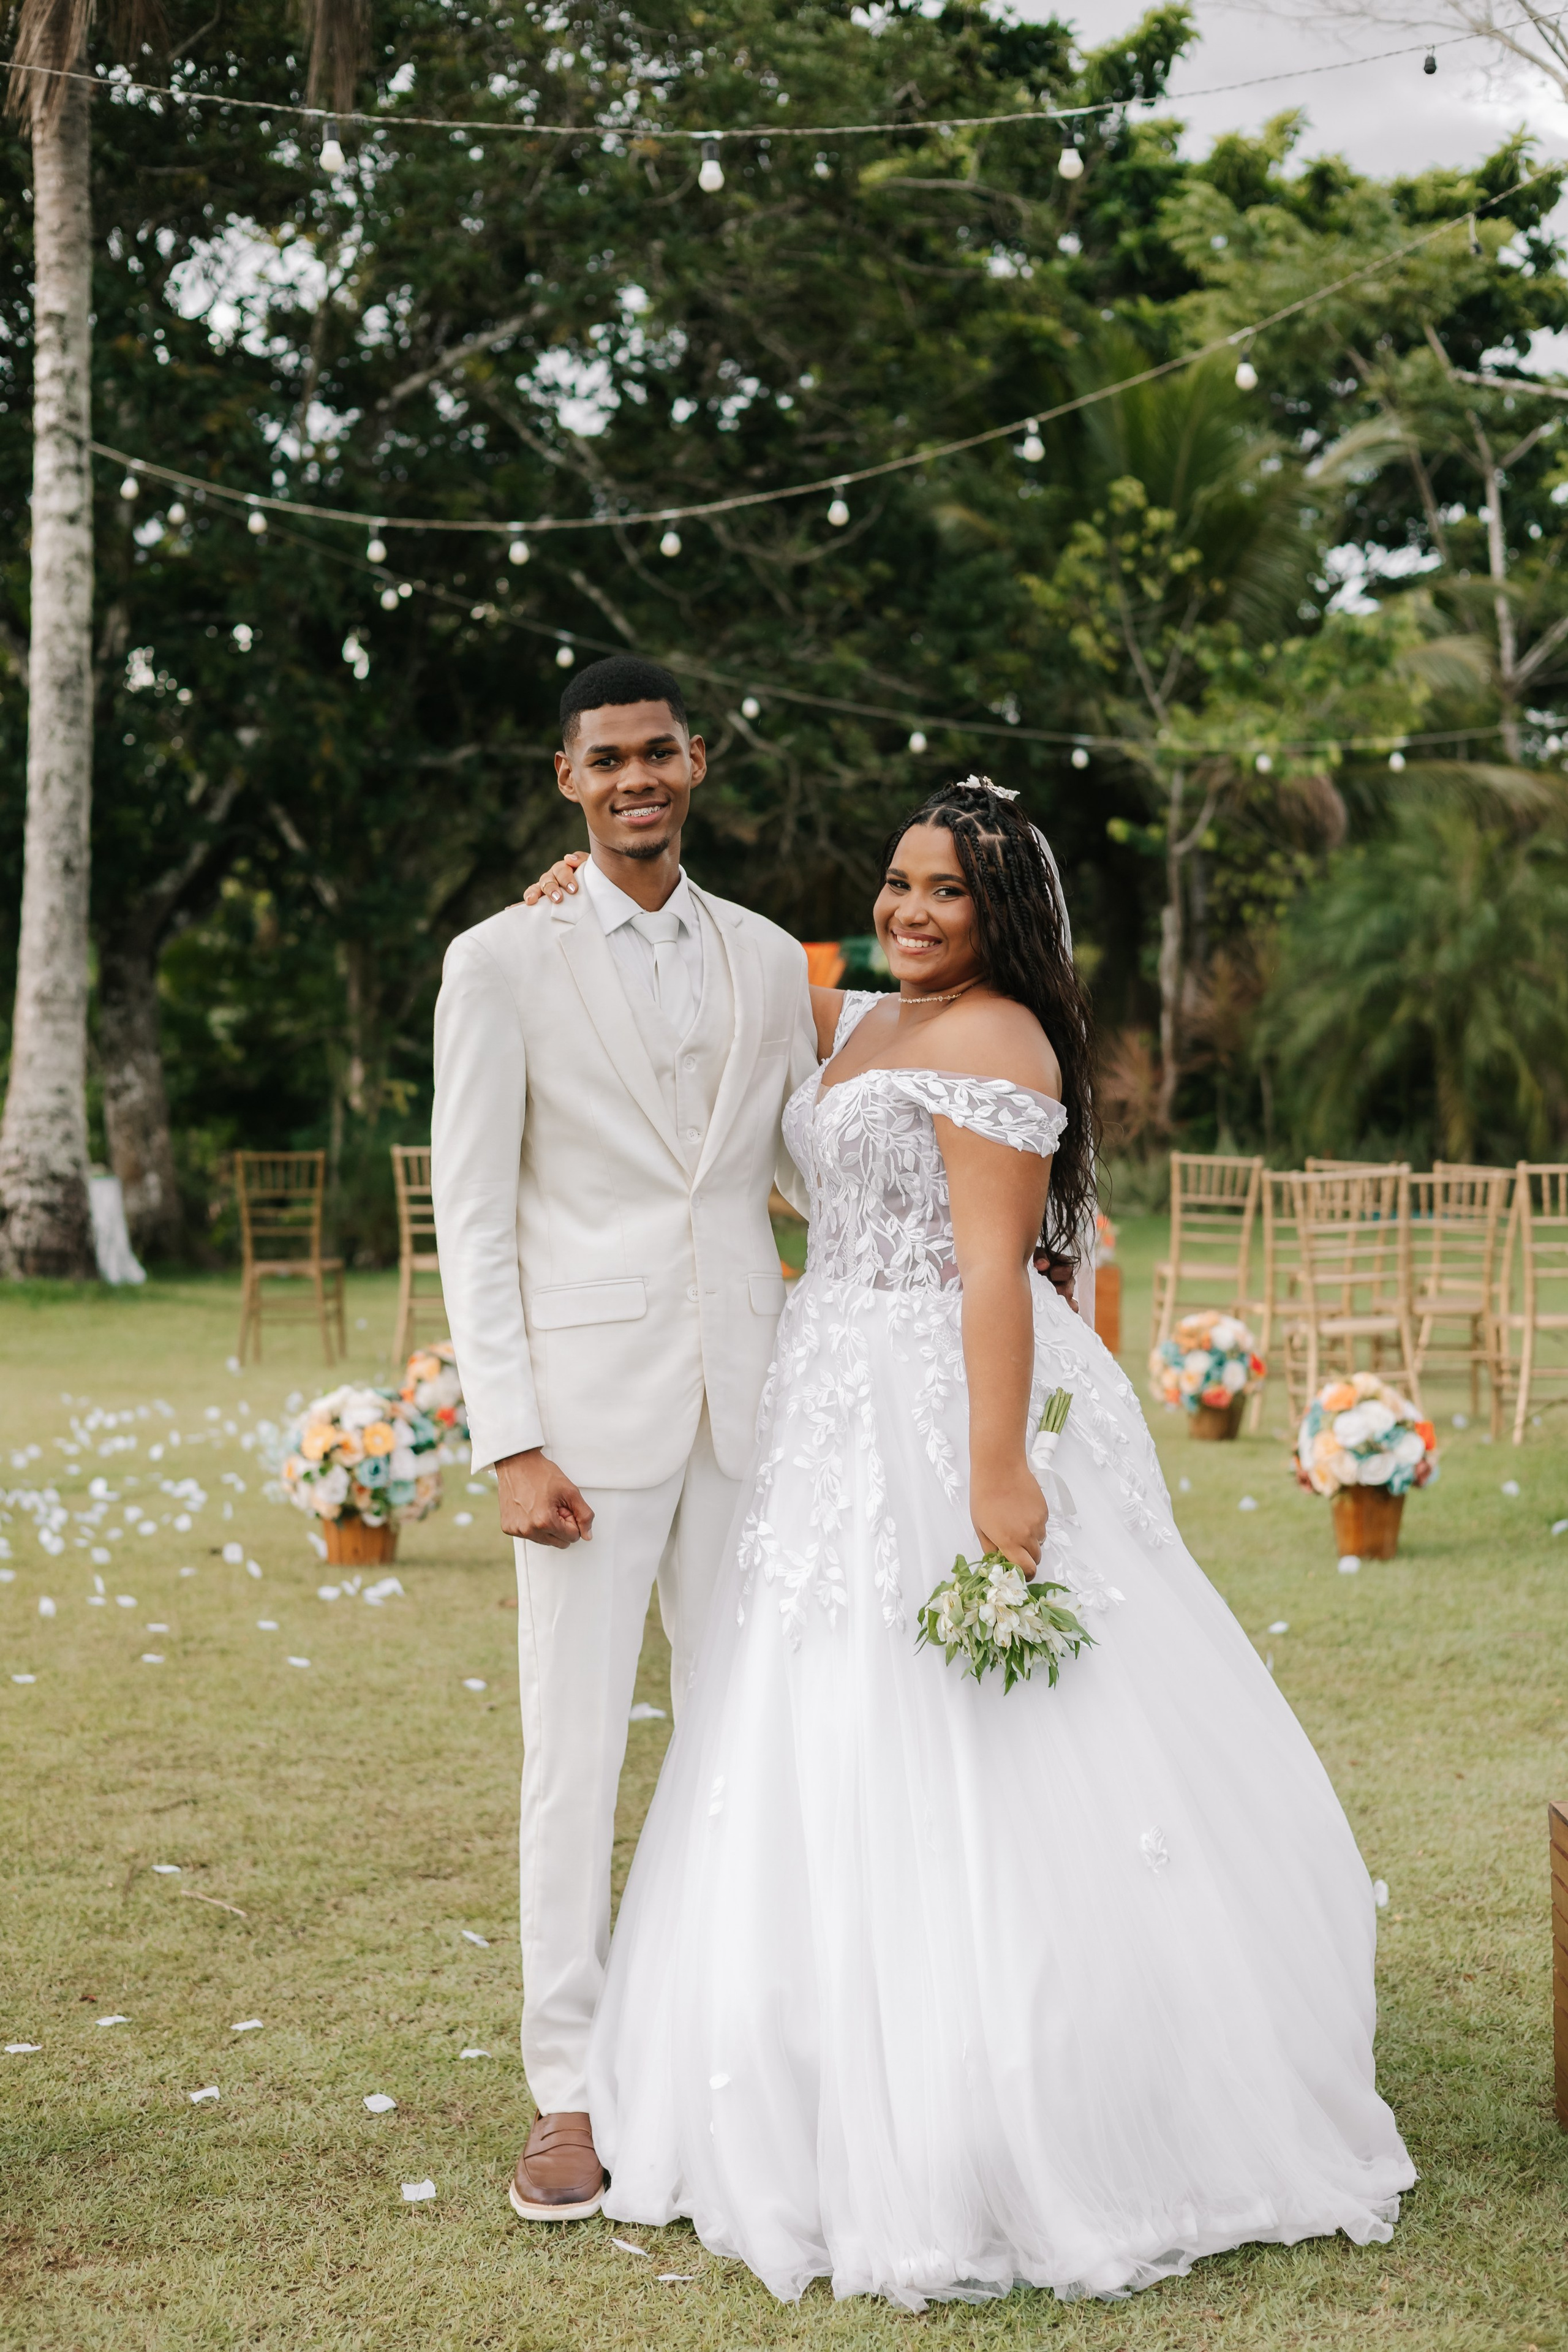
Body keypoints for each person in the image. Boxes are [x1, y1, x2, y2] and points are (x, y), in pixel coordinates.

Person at [533, 777, 1415, 2307]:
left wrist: (998, 1473)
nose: (908, 911)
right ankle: (794, 2059)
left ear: (998, 912)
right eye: (896, 883)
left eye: (944, 891)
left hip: (943, 1395)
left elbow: (1000, 1276)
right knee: (804, 1705)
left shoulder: (1000, 1040)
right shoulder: (862, 1014)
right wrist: (603, 891)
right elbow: (734, 955)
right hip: (823, 1401)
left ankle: (1026, 2089)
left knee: (972, 1718)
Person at [430, 654, 816, 2223]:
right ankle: (569, 2090)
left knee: (748, 1743)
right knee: (572, 1760)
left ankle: (738, 2051)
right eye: (609, 761)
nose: (637, 779)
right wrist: (510, 1436)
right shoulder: (496, 962)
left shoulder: (770, 957)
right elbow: (473, 1212)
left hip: (752, 1400)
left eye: (660, 754)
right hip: (583, 1427)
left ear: (697, 763)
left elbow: (801, 1162)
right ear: (566, 779)